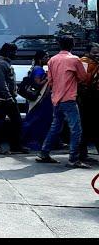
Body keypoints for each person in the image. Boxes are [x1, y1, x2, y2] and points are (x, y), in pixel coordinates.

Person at [36, 35, 90, 168]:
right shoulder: (74, 60)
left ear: (59, 45)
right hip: (69, 98)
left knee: (55, 127)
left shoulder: (52, 60)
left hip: (56, 98)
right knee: (76, 129)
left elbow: (51, 81)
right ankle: (73, 159)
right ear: (73, 45)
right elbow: (84, 78)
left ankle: (44, 153)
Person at [0, 43, 30, 154]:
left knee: (15, 121)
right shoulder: (1, 64)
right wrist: (8, 96)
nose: (15, 54)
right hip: (3, 98)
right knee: (1, 122)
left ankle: (15, 146)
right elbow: (1, 82)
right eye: (14, 52)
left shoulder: (4, 63)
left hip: (7, 97)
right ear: (8, 52)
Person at [21, 50, 53, 150]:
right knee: (34, 120)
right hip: (39, 99)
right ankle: (30, 141)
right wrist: (48, 78)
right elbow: (38, 83)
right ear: (40, 59)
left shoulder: (35, 68)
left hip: (37, 98)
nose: (48, 59)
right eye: (46, 57)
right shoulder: (39, 69)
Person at [78, 42, 99, 163]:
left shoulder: (95, 63)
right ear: (87, 52)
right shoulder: (84, 62)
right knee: (87, 127)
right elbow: (83, 80)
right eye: (94, 53)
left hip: (94, 98)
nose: (97, 55)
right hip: (87, 99)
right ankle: (82, 155)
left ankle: (83, 154)